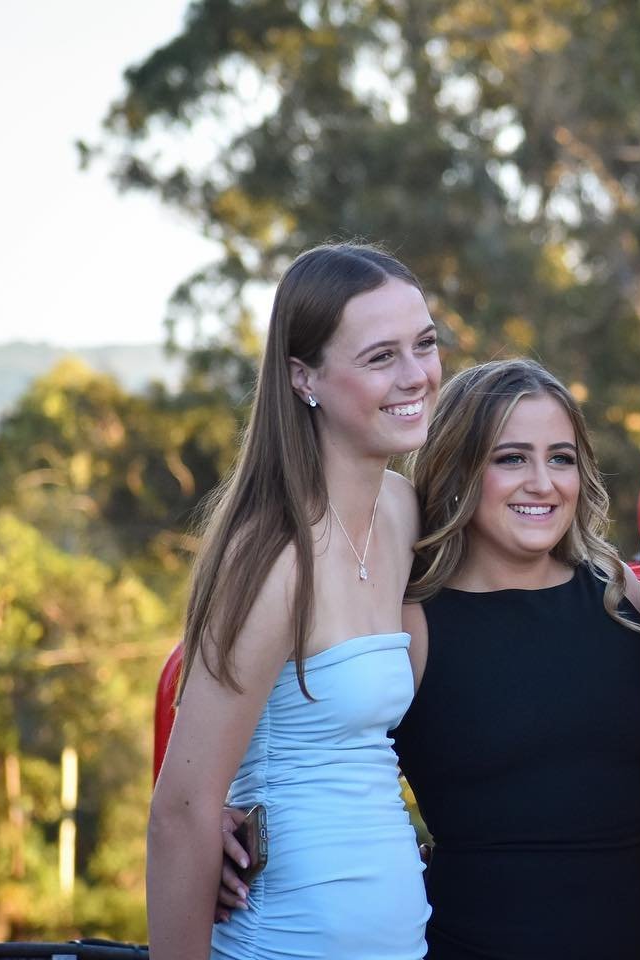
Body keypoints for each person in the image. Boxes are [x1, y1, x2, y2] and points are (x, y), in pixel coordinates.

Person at [147, 242, 441, 960]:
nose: (416, 376)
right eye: (380, 357)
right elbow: (182, 815)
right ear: (302, 377)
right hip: (286, 940)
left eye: (425, 345)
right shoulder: (274, 553)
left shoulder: (402, 511)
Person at [393, 357, 640, 958]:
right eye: (511, 458)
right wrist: (236, 816)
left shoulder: (621, 592)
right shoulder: (412, 621)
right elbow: (324, 765)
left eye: (561, 458)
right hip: (475, 942)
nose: (543, 482)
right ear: (459, 468)